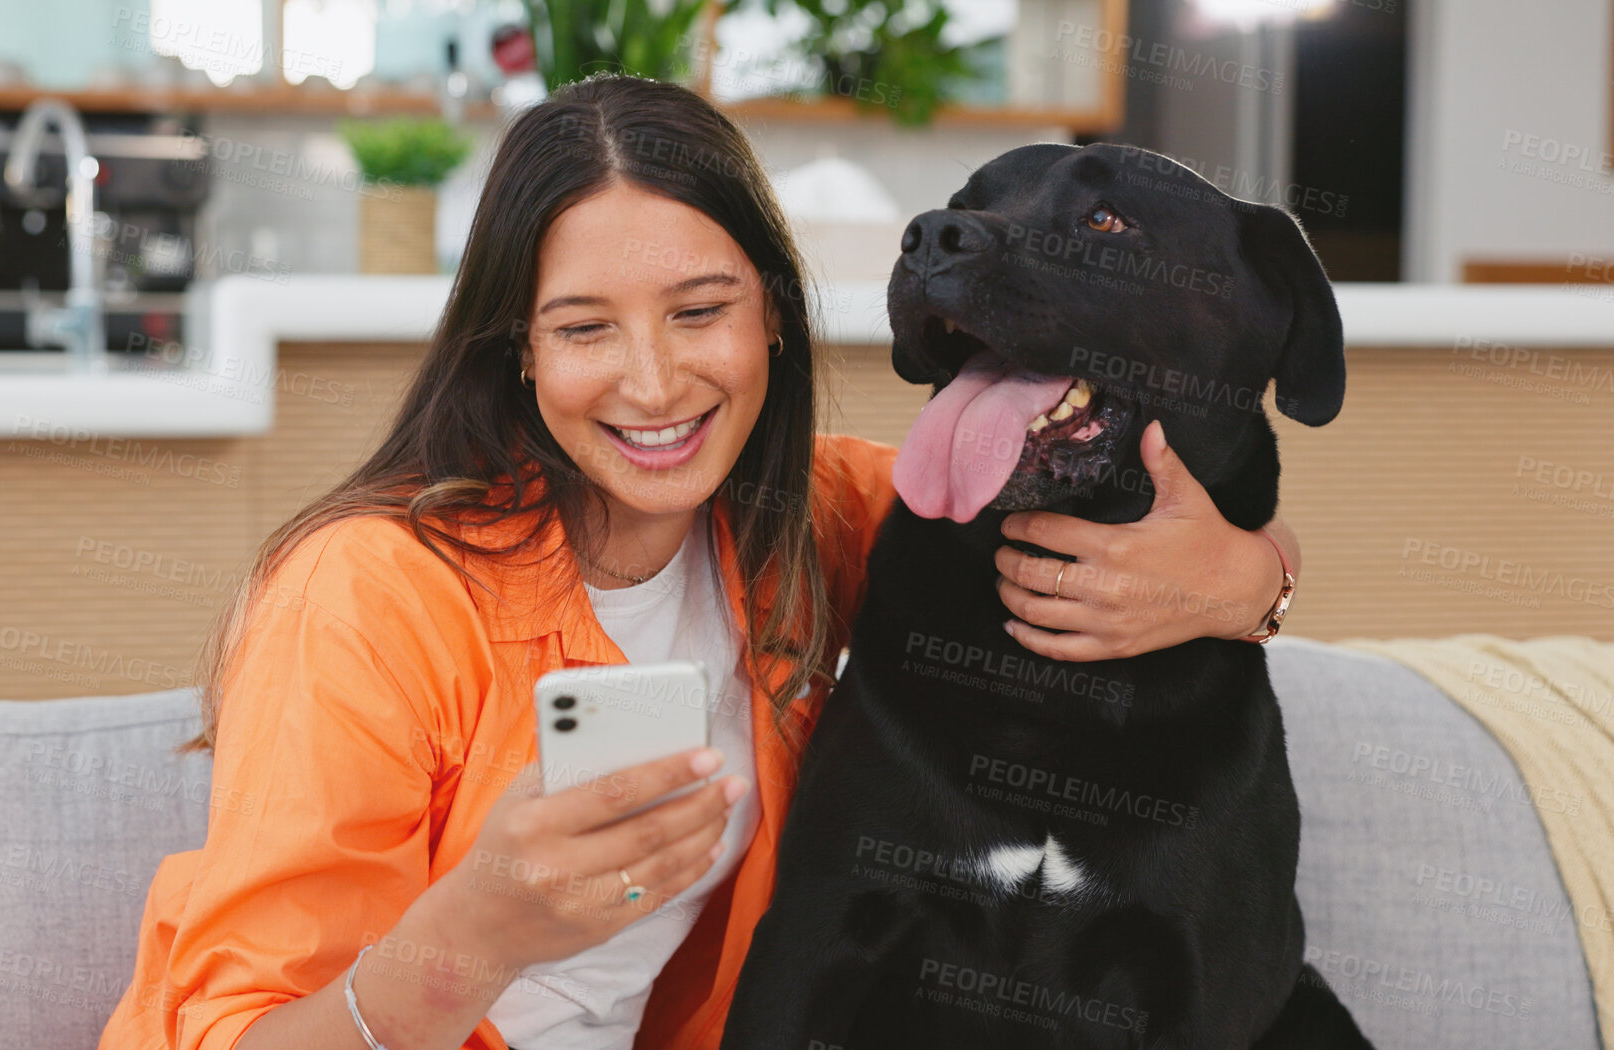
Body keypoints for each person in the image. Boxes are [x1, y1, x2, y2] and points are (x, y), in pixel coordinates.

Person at [95, 72, 1303, 1050]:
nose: (655, 384)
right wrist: (482, 929)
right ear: (514, 350)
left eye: (698, 310)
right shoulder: (362, 595)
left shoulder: (791, 516)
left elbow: (1123, 534)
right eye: (583, 328)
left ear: (771, 315)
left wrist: (1250, 583)